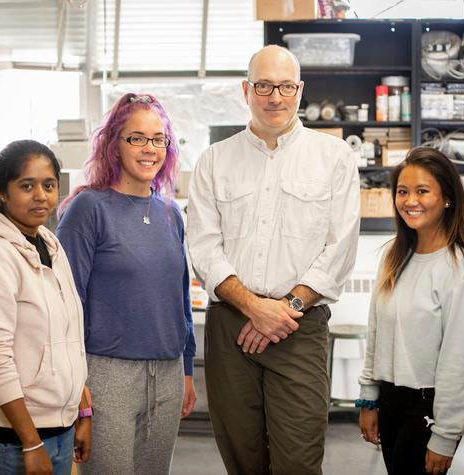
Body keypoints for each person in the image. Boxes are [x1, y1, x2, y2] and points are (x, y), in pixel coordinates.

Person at [186, 45, 361, 474]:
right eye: (264, 85)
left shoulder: (334, 158)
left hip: (298, 329)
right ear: (246, 90)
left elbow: (339, 249)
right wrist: (253, 308)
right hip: (232, 328)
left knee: (298, 461)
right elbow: (204, 247)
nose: (274, 97)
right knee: (242, 459)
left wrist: (285, 309)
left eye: (285, 86)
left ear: (300, 90)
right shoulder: (214, 161)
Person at [56, 93, 197, 475]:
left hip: (167, 376)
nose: (149, 149)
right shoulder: (88, 209)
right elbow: (66, 304)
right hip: (106, 376)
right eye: (137, 138)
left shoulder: (171, 213)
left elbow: (179, 299)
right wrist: (77, 385)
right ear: (113, 143)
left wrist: (186, 369)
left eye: (158, 139)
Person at [357, 147, 464, 475]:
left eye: (422, 191)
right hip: (390, 401)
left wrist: (445, 435)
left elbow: (457, 360)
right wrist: (369, 398)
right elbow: (376, 329)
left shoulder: (460, 267)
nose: (410, 200)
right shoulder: (395, 254)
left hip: (427, 409)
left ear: (447, 198)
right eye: (402, 191)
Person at [0, 140, 91, 475]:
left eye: (48, 186)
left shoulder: (48, 243)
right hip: (14, 439)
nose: (40, 196)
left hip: (57, 426)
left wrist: (82, 412)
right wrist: (31, 443)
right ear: (1, 191)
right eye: (26, 186)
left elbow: (67, 339)